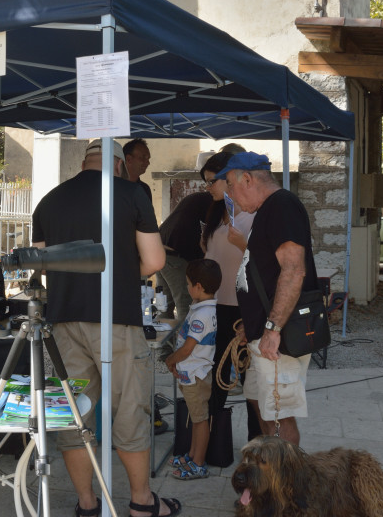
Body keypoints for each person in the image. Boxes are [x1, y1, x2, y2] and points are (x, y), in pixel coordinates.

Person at [31, 138, 180, 517]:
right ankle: (142, 502)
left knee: (76, 412)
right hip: (116, 320)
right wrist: (120, 274)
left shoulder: (49, 200)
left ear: (84, 163)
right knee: (130, 408)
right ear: (118, 165)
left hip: (63, 321)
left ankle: (86, 504)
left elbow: (43, 263)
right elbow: (155, 259)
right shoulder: (131, 194)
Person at [219, 151, 318, 446]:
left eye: (231, 185)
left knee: (278, 415)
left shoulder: (282, 205)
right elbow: (267, 273)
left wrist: (273, 329)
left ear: (247, 179)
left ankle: (285, 487)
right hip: (264, 332)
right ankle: (270, 480)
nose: (230, 195)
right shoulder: (269, 210)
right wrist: (252, 325)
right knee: (259, 402)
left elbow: (293, 269)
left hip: (279, 337)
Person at [199, 150, 262, 443]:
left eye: (212, 181)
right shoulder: (215, 212)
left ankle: (256, 443)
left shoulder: (252, 212)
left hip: (242, 306)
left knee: (250, 379)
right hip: (215, 303)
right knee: (217, 374)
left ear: (230, 179)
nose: (209, 187)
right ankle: (211, 440)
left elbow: (264, 258)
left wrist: (243, 243)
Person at [164, 258, 220, 480]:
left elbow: (187, 349)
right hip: (192, 373)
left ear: (198, 287)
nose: (186, 287)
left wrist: (171, 360)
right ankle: (192, 455)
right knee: (197, 418)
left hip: (196, 375)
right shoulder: (202, 308)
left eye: (188, 283)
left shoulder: (203, 315)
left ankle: (198, 463)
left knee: (199, 420)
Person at [156, 190, 212, 321]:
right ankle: (185, 341)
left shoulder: (198, 198)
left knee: (164, 305)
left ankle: (165, 341)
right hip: (175, 255)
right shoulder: (215, 203)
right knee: (186, 306)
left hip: (160, 249)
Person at [123, 138, 153, 202]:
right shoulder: (112, 186)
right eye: (143, 157)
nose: (148, 163)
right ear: (129, 159)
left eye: (148, 159)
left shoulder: (145, 189)